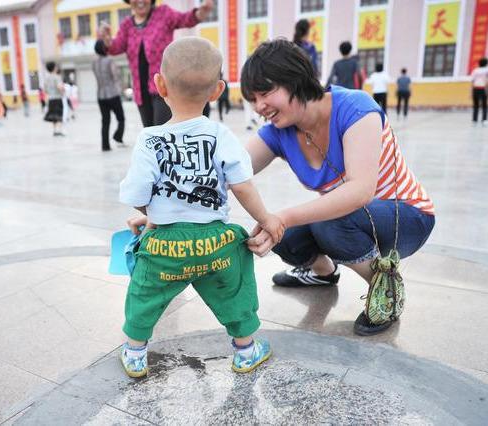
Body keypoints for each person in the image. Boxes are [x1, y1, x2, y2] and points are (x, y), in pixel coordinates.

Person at [241, 39, 435, 336]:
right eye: (252, 98)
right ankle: (323, 274)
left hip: (407, 217)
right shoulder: (280, 132)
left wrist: (285, 215)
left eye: (266, 92)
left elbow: (360, 191)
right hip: (353, 220)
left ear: (296, 79)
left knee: (322, 222)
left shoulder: (355, 107)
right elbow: (232, 169)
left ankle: (386, 288)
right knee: (280, 233)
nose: (259, 106)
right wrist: (160, 208)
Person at [119, 37, 283, 378]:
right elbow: (242, 186)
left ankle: (135, 354)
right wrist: (266, 219)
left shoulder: (149, 139)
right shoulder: (222, 135)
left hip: (165, 245)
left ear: (159, 84)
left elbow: (138, 193)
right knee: (235, 289)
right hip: (215, 243)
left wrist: (151, 216)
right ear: (217, 90)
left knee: (144, 292)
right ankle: (246, 349)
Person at [99, 0, 214, 127]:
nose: (140, 1)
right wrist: (108, 41)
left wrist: (202, 12)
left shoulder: (163, 13)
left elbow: (185, 19)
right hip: (141, 91)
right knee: (150, 134)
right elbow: (116, 47)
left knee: (163, 133)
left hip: (164, 87)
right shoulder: (127, 25)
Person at [93, 39, 126, 151]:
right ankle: (118, 136)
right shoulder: (109, 60)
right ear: (104, 48)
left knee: (105, 121)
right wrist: (120, 87)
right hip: (112, 94)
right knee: (121, 118)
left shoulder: (94, 62)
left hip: (100, 95)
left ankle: (105, 145)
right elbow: (115, 76)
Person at [43, 62, 65, 136]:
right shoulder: (57, 77)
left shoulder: (47, 78)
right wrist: (63, 90)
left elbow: (45, 90)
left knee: (53, 116)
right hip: (57, 98)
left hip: (50, 99)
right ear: (54, 68)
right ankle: (59, 131)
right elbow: (59, 87)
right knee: (59, 115)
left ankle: (55, 131)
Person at [471, 57, 488, 126]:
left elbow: (472, 81)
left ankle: (474, 120)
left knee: (476, 105)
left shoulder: (475, 70)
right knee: (484, 105)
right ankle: (484, 119)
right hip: (483, 88)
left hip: (475, 88)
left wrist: (471, 92)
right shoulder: (486, 70)